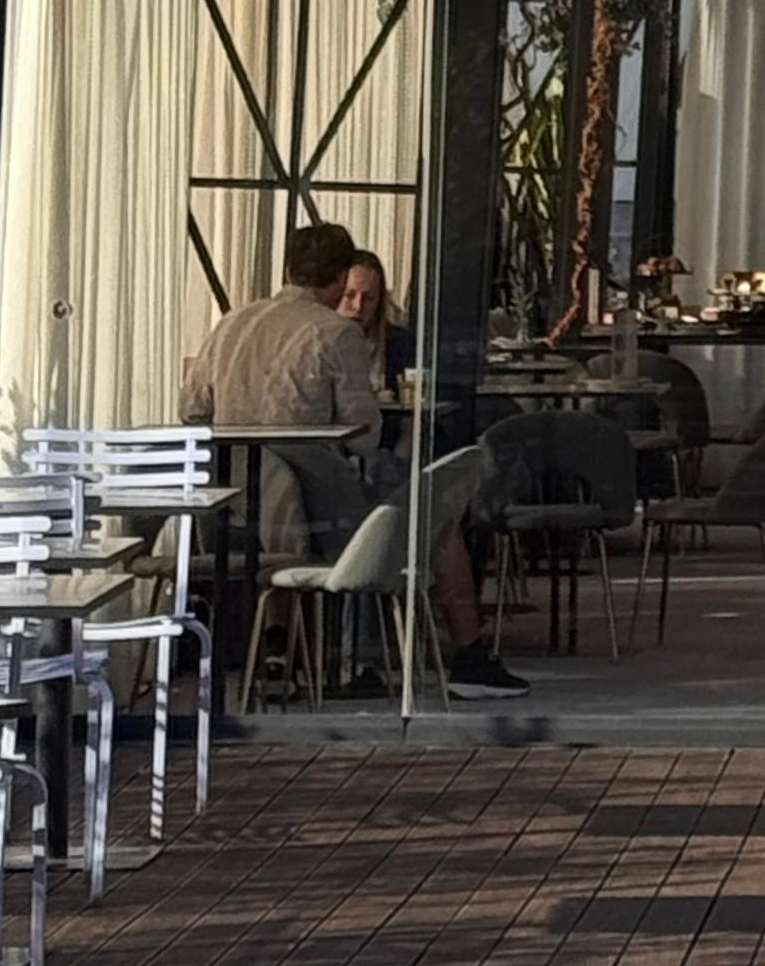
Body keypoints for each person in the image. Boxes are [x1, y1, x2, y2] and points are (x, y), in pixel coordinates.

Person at [183, 223, 524, 700]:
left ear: (287, 268)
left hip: (229, 508)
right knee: (430, 518)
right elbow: (364, 434)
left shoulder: (231, 324)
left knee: (294, 522)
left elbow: (192, 411)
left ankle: (281, 646)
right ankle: (467, 657)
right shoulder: (334, 332)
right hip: (313, 510)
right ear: (342, 277)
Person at [337, 248, 418, 395]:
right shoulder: (316, 343)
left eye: (369, 298)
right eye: (349, 295)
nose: (358, 307)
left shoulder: (400, 345)